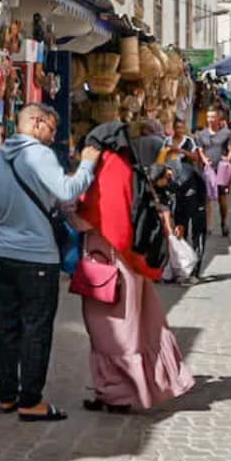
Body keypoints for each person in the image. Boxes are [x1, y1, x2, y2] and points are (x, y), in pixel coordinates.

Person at [0, 103, 100, 422]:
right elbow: (67, 189)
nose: (53, 134)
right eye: (51, 125)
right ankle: (30, 400)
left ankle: (7, 396)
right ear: (35, 122)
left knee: (6, 328)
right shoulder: (39, 155)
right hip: (38, 258)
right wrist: (87, 165)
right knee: (36, 328)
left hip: (6, 257)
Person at [76, 134, 194, 413]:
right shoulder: (132, 171)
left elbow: (83, 218)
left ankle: (119, 393)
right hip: (132, 263)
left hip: (107, 264)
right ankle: (120, 390)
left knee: (109, 331)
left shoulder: (105, 172)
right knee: (135, 327)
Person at [196, 106, 231, 237]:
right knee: (207, 198)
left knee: (222, 198)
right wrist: (204, 159)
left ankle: (223, 222)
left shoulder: (227, 134)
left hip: (221, 169)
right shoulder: (201, 134)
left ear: (219, 118)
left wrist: (230, 156)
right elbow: (200, 150)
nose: (210, 119)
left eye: (213, 117)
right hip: (207, 169)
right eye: (208, 117)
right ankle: (208, 225)